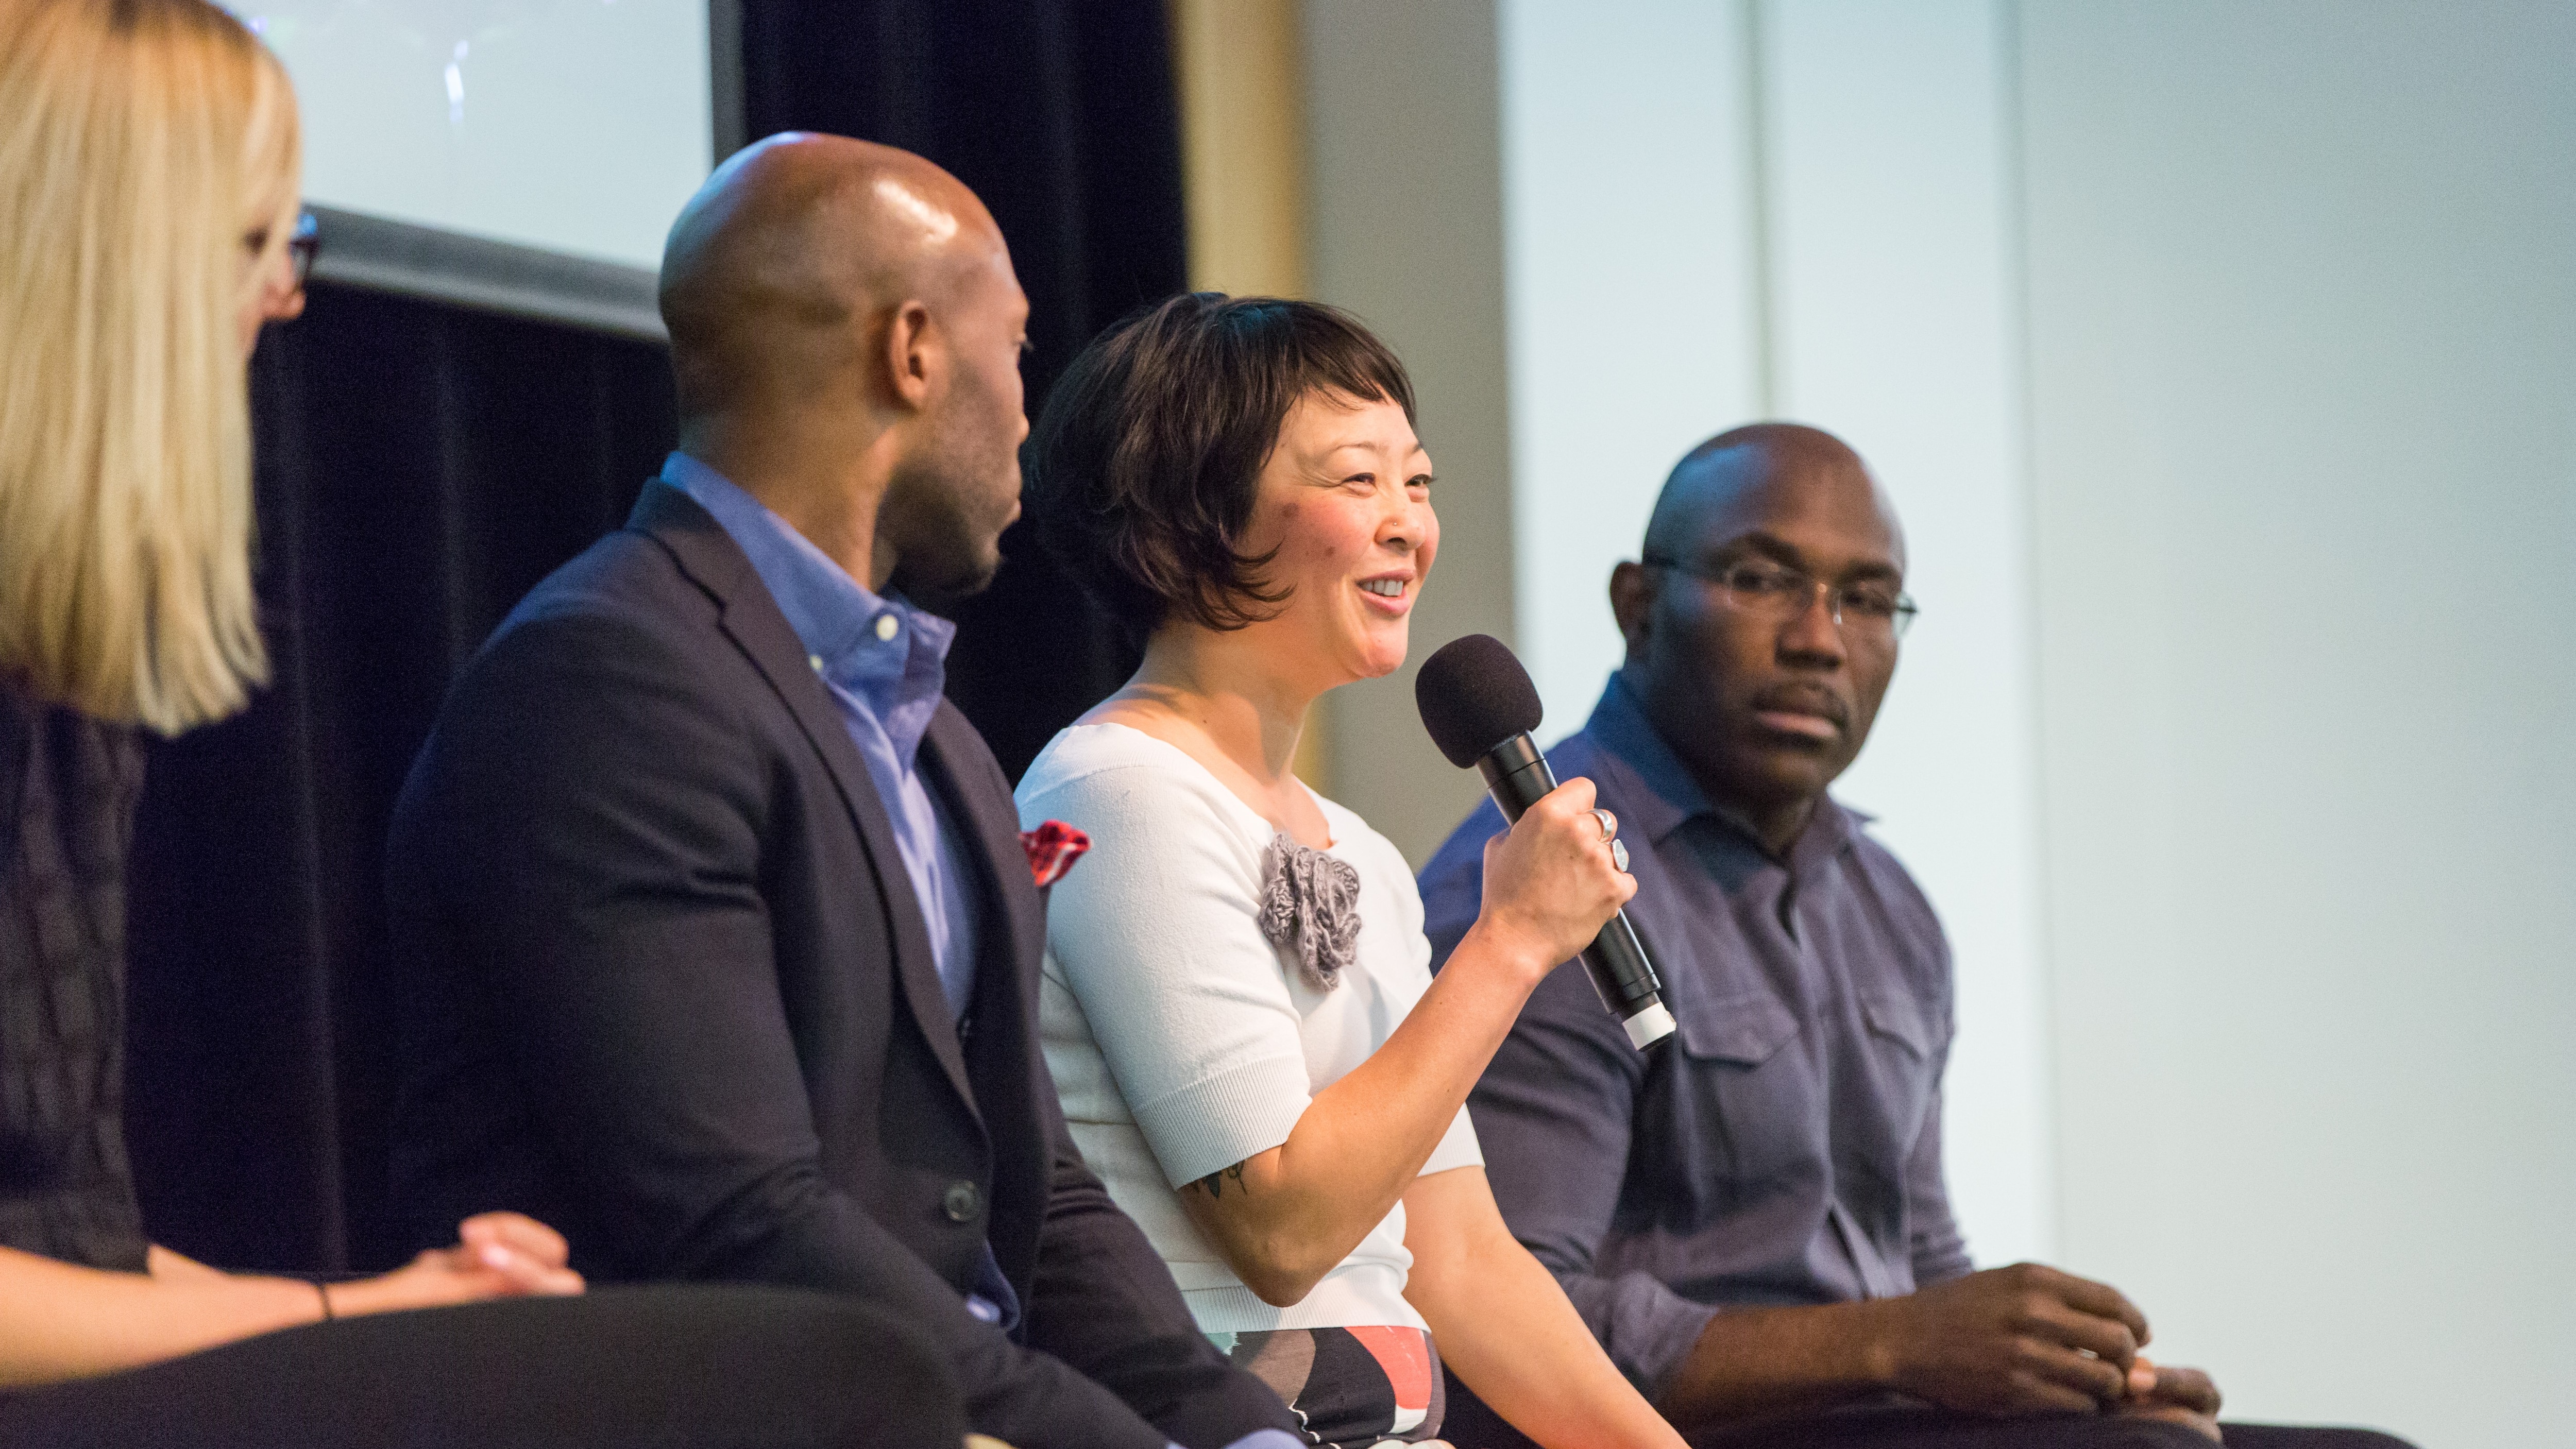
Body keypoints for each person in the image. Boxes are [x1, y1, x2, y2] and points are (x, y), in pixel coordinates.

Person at [0, 4, 963, 1445]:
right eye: (263, 242)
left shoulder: (63, 689)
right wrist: (342, 1316)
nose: (285, 297)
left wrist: (396, 1301)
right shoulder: (614, 671)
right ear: (112, 260)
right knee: (848, 1381)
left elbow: (66, 1243)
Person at [383, 135, 1301, 1449]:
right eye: (1018, 349)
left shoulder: (929, 731)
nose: (1028, 413)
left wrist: (1236, 1433)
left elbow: (1043, 1200)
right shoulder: (608, 680)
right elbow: (736, 1218)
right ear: (913, 351)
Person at [1417, 425, 2415, 1449]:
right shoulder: (1533, 886)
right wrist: (1896, 1346)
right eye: (1764, 579)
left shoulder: (1887, 904)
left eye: (1865, 599)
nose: (1820, 639)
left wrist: (2058, 1378)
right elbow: (1500, 1328)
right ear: (1639, 606)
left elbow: (1916, 1260)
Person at [1009, 292, 1687, 1449]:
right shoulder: (1116, 793)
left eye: (1416, 485)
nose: (1407, 526)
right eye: (1355, 481)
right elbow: (1280, 1232)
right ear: (1187, 519)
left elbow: (1462, 1262)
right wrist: (1513, 940)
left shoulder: (1354, 849)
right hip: (1215, 1417)